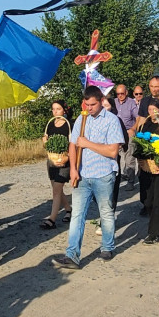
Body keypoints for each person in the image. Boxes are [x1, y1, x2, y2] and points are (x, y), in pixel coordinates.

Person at [53, 85, 124, 269]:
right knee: (77, 214)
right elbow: (73, 145)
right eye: (86, 104)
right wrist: (73, 170)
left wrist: (88, 144)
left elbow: (112, 151)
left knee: (106, 212)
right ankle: (72, 255)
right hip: (82, 175)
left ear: (101, 101)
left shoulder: (112, 121)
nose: (89, 108)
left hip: (104, 174)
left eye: (92, 104)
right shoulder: (81, 120)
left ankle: (107, 247)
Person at [139, 102, 159, 244]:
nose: (152, 112)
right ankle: (153, 223)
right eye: (149, 109)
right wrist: (140, 159)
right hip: (146, 167)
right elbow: (138, 145)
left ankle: (155, 233)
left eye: (155, 109)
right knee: (147, 199)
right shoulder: (144, 126)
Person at [40, 100, 72, 229]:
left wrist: (68, 158)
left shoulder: (69, 125)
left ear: (64, 110)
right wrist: (44, 142)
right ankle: (68, 209)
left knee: (56, 190)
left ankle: (52, 219)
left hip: (64, 161)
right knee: (56, 189)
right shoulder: (50, 125)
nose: (55, 112)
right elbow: (46, 145)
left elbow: (73, 145)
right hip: (52, 160)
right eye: (53, 109)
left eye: (58, 109)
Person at [111, 84, 139, 188]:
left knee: (129, 157)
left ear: (126, 92)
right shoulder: (113, 102)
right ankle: (115, 179)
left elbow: (138, 117)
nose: (120, 96)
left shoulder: (132, 103)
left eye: (122, 93)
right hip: (115, 133)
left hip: (128, 132)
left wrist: (132, 129)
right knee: (113, 156)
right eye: (118, 94)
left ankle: (131, 181)